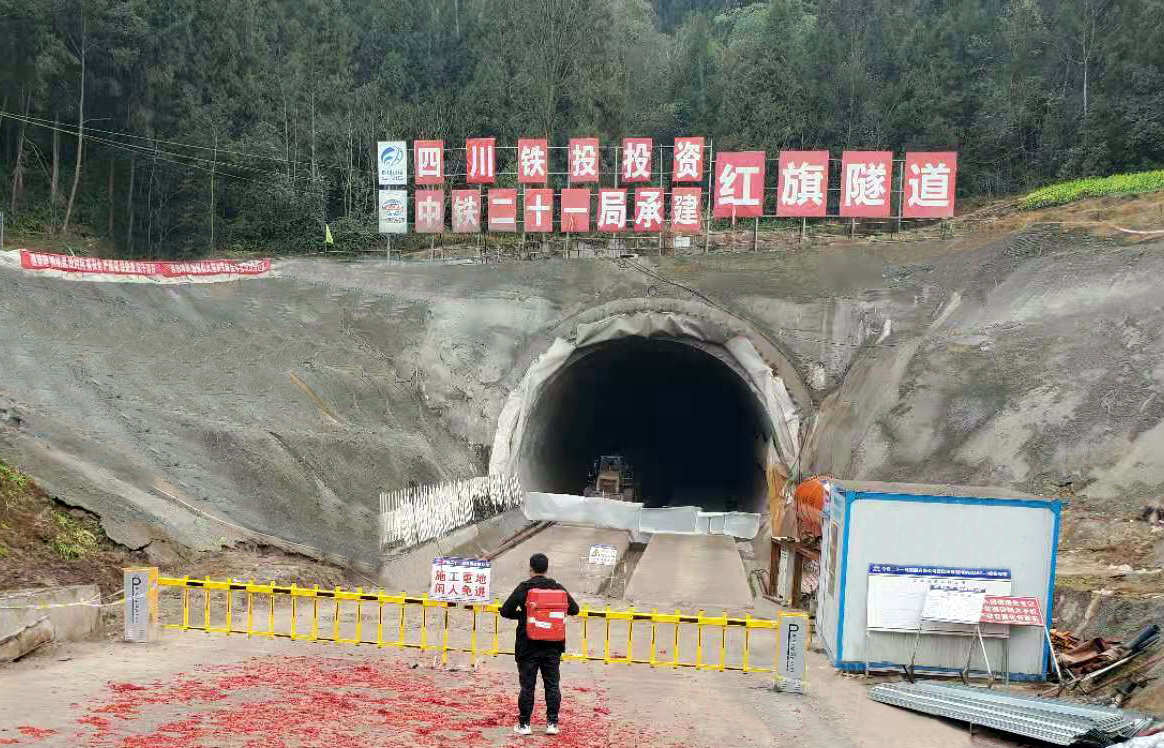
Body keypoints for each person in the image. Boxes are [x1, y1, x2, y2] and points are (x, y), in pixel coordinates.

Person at [499, 552, 580, 736]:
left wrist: (524, 614)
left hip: (528, 646)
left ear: (531, 569)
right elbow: (574, 609)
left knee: (527, 686)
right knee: (552, 685)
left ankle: (524, 724)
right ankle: (552, 723)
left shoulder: (524, 587)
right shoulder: (557, 587)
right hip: (553, 646)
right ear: (546, 569)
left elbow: (505, 610)